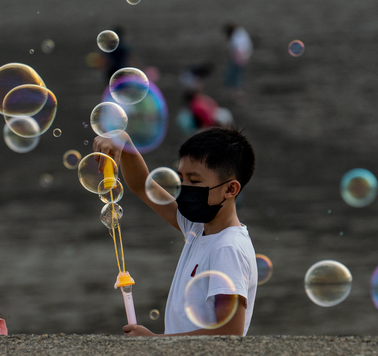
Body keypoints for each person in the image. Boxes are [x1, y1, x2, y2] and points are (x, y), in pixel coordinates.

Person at [93, 127, 257, 336]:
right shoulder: (197, 227)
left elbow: (229, 335)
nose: (184, 187)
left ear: (230, 189)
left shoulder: (228, 248)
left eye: (195, 181)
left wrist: (156, 343)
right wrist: (124, 143)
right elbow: (143, 187)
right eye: (181, 178)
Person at [223, 24, 253, 100]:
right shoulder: (241, 33)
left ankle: (234, 93)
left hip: (238, 59)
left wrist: (236, 58)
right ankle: (235, 92)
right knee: (237, 75)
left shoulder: (236, 37)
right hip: (242, 58)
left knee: (235, 76)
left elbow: (237, 49)